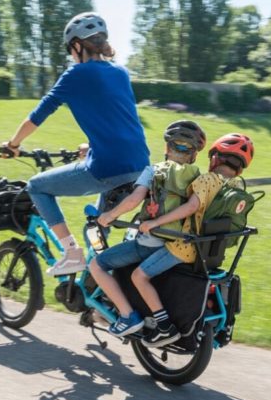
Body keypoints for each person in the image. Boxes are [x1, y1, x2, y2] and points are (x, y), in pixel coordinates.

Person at [2, 12, 150, 276]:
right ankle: (98, 288)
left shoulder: (76, 74)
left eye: (70, 49)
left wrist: (13, 144)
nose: (71, 55)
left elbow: (39, 114)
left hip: (108, 168)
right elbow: (118, 119)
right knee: (97, 230)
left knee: (36, 186)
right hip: (140, 167)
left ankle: (71, 253)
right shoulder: (120, 72)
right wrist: (92, 147)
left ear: (78, 46)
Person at [88, 120, 208, 341]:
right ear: (194, 155)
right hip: (176, 246)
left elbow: (134, 200)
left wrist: (109, 216)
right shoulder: (198, 177)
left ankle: (127, 315)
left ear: (167, 148)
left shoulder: (153, 171)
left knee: (97, 264)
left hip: (149, 244)